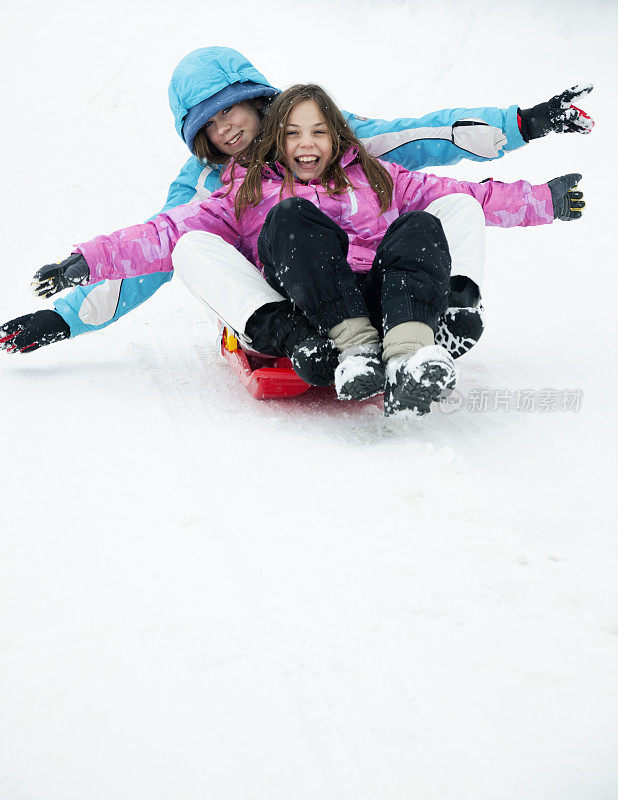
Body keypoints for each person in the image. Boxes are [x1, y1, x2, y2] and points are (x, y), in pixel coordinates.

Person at [4, 83, 584, 419]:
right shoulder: (231, 187)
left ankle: (441, 324)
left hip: (381, 294)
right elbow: (156, 242)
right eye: (211, 124)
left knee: (444, 212)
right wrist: (70, 302)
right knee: (201, 244)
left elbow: (446, 165)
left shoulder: (373, 170)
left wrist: (541, 191)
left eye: (234, 110)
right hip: (304, 305)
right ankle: (313, 341)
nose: (227, 129)